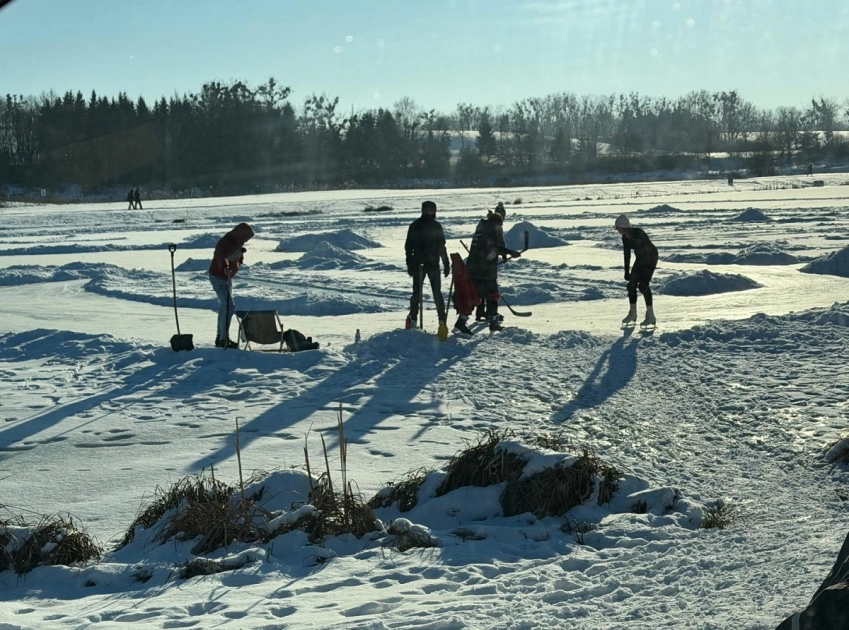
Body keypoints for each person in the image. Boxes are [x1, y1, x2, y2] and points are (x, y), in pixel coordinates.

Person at [460, 202, 521, 333]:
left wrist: (503, 254)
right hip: (484, 269)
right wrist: (510, 252)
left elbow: (495, 245)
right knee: (492, 295)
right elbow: (493, 247)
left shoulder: (482, 226)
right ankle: (490, 321)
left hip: (475, 267)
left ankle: (465, 320)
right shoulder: (492, 228)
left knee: (478, 296)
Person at [404, 200, 450, 331]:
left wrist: (446, 263)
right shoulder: (415, 226)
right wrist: (410, 264)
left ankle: (442, 320)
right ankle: (413, 319)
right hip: (419, 265)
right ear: (423, 211)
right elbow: (409, 247)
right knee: (416, 294)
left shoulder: (437, 226)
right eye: (429, 210)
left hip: (433, 264)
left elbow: (442, 246)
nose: (432, 213)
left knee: (437, 293)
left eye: (433, 210)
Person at [209, 222, 254, 348]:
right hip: (218, 276)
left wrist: (239, 255)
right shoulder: (226, 242)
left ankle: (220, 338)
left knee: (225, 307)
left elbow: (232, 257)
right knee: (229, 306)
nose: (245, 241)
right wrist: (225, 268)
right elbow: (221, 256)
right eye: (245, 238)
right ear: (240, 234)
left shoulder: (236, 242)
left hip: (225, 278)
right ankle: (223, 339)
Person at [615, 214, 658, 327]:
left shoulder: (639, 233)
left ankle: (650, 315)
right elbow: (627, 254)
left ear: (622, 227)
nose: (617, 230)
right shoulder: (625, 238)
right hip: (640, 259)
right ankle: (632, 313)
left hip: (650, 258)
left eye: (617, 227)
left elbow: (647, 251)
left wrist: (639, 273)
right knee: (631, 286)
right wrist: (626, 271)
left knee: (643, 285)